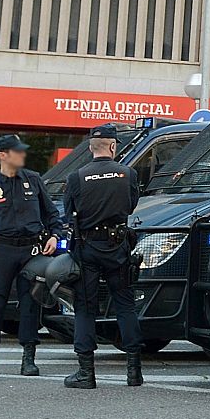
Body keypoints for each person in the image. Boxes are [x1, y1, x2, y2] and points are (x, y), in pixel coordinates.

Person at [0, 134, 61, 378]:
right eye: (17, 151)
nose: (22, 155)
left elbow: (51, 215)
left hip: (31, 250)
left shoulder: (34, 180)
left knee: (30, 303)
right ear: (3, 155)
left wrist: (54, 236)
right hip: (2, 251)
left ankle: (28, 358)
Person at [62, 125, 142, 390]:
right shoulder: (128, 174)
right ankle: (134, 372)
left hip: (87, 248)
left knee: (85, 308)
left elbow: (69, 212)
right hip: (118, 246)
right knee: (125, 305)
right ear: (113, 146)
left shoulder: (76, 177)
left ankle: (86, 373)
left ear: (90, 148)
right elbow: (130, 206)